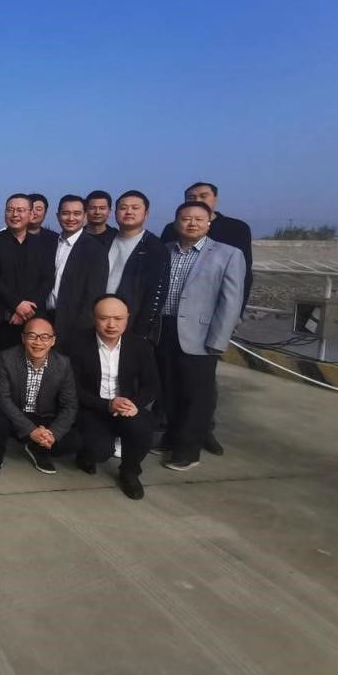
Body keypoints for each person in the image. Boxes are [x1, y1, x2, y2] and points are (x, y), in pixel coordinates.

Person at [156, 202, 245, 470]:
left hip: (200, 335)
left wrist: (218, 340)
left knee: (196, 395)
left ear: (209, 223)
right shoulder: (164, 251)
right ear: (176, 223)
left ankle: (188, 450)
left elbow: (231, 303)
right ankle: (171, 438)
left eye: (198, 219)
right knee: (169, 390)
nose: (192, 223)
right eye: (186, 219)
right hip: (163, 330)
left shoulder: (228, 254)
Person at [62, 295, 160, 500]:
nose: (111, 325)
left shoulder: (139, 346)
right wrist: (106, 405)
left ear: (128, 318)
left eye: (118, 318)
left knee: (142, 427)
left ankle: (130, 472)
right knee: (100, 452)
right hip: (92, 406)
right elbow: (71, 387)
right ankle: (87, 453)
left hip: (126, 406)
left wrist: (134, 404)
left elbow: (151, 385)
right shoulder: (76, 343)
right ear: (93, 317)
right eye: (104, 318)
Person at [0, 194, 55, 406]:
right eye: (10, 209)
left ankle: (24, 414)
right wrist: (16, 305)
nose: (15, 214)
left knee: (29, 369)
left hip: (32, 319)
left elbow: (47, 279)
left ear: (31, 214)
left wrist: (26, 310)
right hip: (1, 319)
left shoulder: (42, 244)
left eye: (21, 210)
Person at [0, 316, 77, 479]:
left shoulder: (63, 364)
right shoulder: (7, 358)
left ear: (53, 341)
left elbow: (70, 405)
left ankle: (37, 449)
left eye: (45, 337)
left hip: (44, 417)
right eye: (32, 336)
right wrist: (31, 430)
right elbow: (2, 398)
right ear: (23, 338)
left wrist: (53, 433)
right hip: (14, 413)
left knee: (75, 441)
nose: (38, 342)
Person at [161, 181, 254, 312]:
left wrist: (238, 313)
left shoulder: (236, 228)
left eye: (203, 196)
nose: (197, 200)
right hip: (170, 308)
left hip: (212, 308)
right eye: (191, 197)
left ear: (215, 199)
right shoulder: (172, 228)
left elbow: (244, 274)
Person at [108, 190, 169, 341]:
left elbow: (156, 294)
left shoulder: (154, 247)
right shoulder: (106, 240)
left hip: (132, 324)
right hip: (101, 316)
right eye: (123, 208)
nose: (129, 212)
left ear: (146, 214)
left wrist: (141, 331)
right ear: (115, 213)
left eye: (135, 208)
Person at [46, 194, 108, 336]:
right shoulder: (49, 243)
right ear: (57, 216)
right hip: (44, 318)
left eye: (77, 213)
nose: (71, 218)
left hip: (73, 324)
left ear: (85, 216)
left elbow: (94, 294)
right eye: (65, 213)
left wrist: (81, 326)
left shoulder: (95, 249)